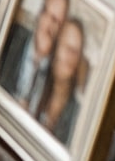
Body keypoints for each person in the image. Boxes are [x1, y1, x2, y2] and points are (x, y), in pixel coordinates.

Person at [0, 0, 69, 111]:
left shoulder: (57, 75)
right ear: (40, 13)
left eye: (57, 21)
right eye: (48, 14)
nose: (50, 25)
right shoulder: (10, 38)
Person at [35, 16, 87, 145]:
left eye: (75, 51)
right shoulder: (36, 82)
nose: (70, 56)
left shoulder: (76, 112)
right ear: (56, 46)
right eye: (67, 47)